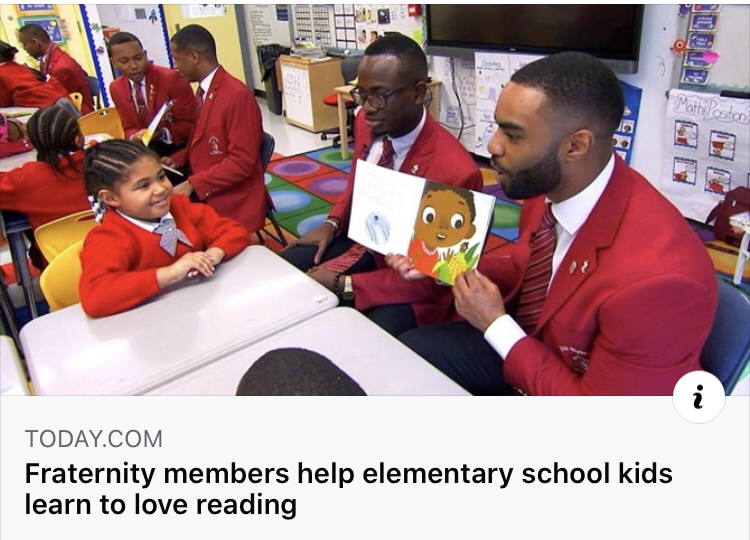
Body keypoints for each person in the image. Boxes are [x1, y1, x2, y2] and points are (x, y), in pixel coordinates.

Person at [391, 52, 719, 396]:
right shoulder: (551, 184)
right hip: (537, 345)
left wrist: (496, 325)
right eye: (498, 126)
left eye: (513, 135)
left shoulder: (659, 282)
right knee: (410, 352)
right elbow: (527, 267)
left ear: (575, 146)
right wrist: (444, 262)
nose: (492, 145)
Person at [280, 33, 483, 336]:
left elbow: (437, 278)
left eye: (378, 95)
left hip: (410, 284)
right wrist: (332, 222)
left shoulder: (456, 173)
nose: (367, 107)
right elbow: (357, 180)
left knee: (361, 338)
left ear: (418, 92)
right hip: (364, 242)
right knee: (285, 271)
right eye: (361, 94)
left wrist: (347, 284)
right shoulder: (367, 122)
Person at [79, 140, 250, 318]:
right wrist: (170, 273)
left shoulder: (180, 206)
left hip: (198, 310)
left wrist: (213, 255)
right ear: (111, 198)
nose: (161, 189)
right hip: (151, 323)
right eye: (144, 186)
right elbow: (95, 297)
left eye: (161, 177)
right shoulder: (109, 238)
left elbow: (233, 230)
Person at [160, 24, 265, 233]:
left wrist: (193, 184)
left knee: (167, 223)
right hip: (206, 182)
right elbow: (202, 139)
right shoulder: (203, 92)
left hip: (231, 197)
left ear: (194, 57)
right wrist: (178, 158)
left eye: (177, 59)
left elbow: (241, 163)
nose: (175, 66)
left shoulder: (236, 96)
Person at [0, 106, 92, 269]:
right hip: (116, 251)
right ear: (78, 139)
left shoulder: (25, 179)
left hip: (58, 264)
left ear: (34, 143)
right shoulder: (102, 163)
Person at [107, 32, 196, 157]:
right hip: (144, 152)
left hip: (179, 149)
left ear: (145, 54)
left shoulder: (172, 79)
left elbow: (192, 124)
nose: (134, 66)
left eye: (138, 58)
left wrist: (163, 133)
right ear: (114, 62)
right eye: (124, 61)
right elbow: (128, 127)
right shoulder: (116, 88)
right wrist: (134, 136)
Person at [18, 24, 95, 114]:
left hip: (79, 114)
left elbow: (55, 97)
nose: (24, 48)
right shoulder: (48, 59)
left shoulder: (60, 67)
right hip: (65, 108)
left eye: (25, 44)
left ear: (35, 42)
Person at [0, 40, 70, 108]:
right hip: (61, 100)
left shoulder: (2, 72)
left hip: (50, 107)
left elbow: (4, 102)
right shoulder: (17, 67)